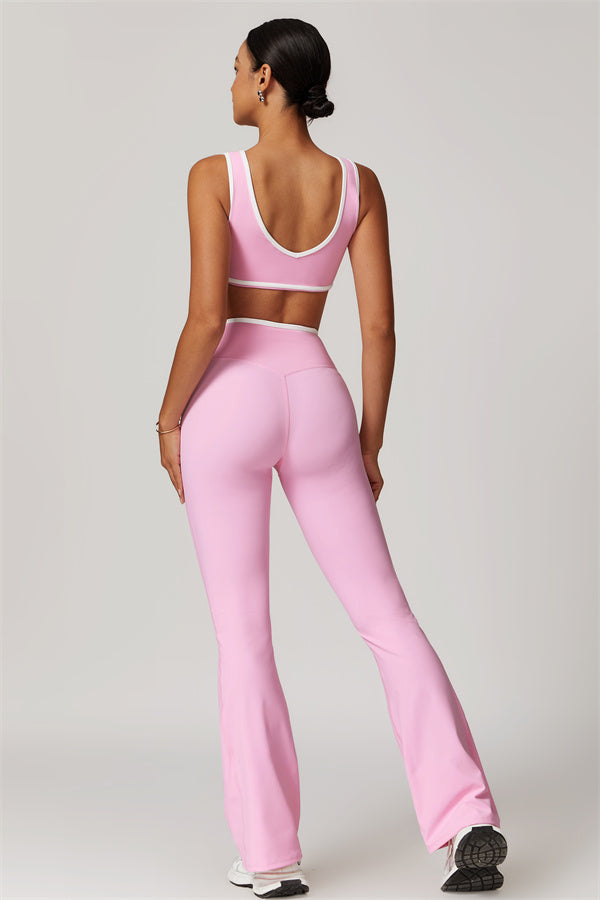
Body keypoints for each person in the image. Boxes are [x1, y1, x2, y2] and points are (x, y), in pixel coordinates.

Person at [156, 17, 508, 898]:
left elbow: (207, 318)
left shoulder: (215, 175)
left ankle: (271, 859)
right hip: (317, 390)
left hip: (230, 397)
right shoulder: (357, 183)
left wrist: (167, 420)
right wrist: (369, 441)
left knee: (244, 633)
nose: (231, 84)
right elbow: (379, 327)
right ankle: (467, 818)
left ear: (266, 80)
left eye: (237, 69)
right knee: (387, 616)